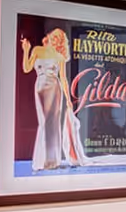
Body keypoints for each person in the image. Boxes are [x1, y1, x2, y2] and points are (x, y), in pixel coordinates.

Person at [20, 27, 85, 171]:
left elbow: (63, 79)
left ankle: (51, 160)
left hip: (55, 89)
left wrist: (68, 99)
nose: (54, 40)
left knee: (52, 123)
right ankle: (43, 159)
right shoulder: (37, 50)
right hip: (40, 87)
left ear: (60, 42)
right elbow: (26, 68)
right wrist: (26, 50)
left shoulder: (59, 57)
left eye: (58, 39)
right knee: (44, 122)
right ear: (49, 37)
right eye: (54, 36)